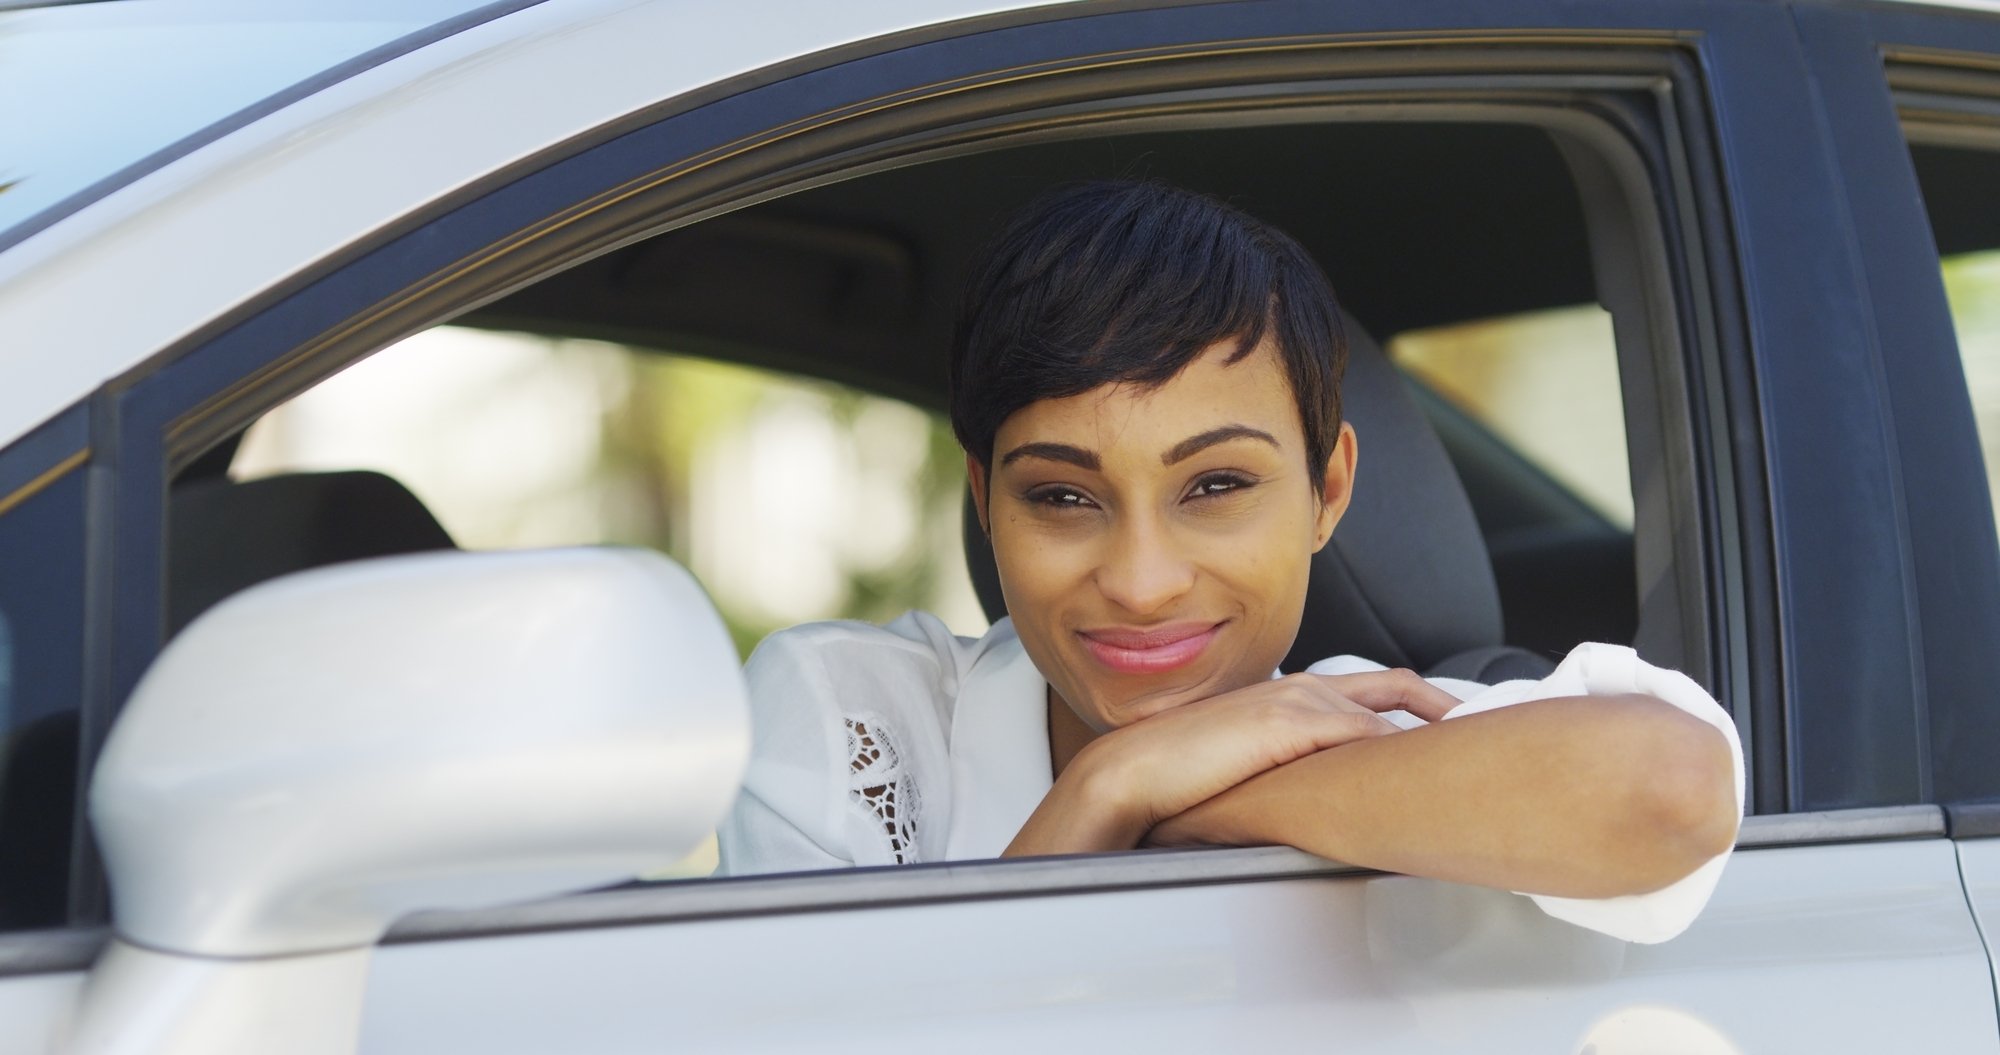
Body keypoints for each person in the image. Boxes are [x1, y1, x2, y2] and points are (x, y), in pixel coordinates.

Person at [715, 180, 1743, 943]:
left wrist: (1174, 794)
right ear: (985, 501)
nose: (1142, 579)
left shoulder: (1371, 726)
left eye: (1213, 486)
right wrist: (1098, 794)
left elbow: (1662, 784)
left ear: (1327, 490)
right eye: (1062, 496)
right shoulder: (859, 720)